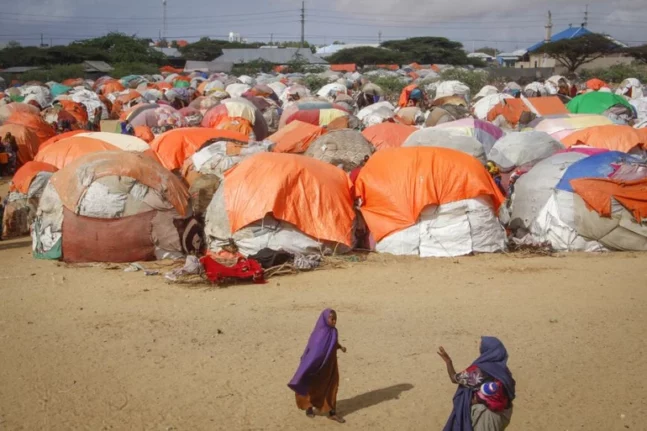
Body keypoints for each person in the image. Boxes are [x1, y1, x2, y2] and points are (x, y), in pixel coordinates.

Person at [438, 337, 515, 431]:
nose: (480, 348)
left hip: (487, 415)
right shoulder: (504, 371)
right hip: (504, 414)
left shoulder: (481, 370)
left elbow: (454, 378)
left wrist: (448, 362)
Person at [288, 309, 347, 423]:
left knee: (332, 386)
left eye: (335, 319)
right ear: (325, 319)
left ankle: (331, 412)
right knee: (313, 385)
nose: (334, 321)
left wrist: (340, 347)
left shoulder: (334, 331)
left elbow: (332, 343)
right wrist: (308, 364)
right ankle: (308, 406)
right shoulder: (319, 333)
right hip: (317, 366)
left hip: (330, 365)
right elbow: (314, 349)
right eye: (332, 319)